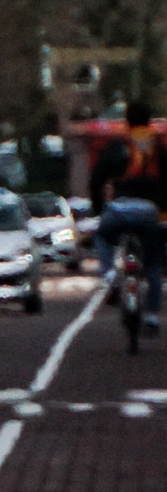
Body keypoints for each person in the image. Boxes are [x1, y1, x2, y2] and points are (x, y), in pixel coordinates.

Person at [93, 101, 165, 334]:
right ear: (149, 121)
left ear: (127, 121)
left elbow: (97, 178)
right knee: (154, 265)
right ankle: (152, 318)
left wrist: (98, 208)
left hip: (120, 209)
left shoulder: (118, 145)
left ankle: (110, 274)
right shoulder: (158, 146)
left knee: (102, 237)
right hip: (149, 212)